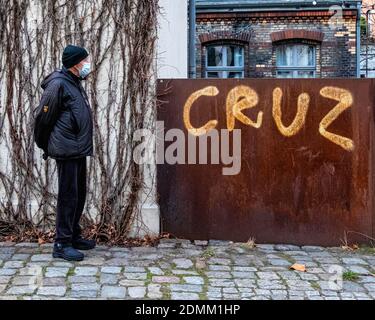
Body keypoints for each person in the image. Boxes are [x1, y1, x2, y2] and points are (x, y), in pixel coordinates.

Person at [39, 44, 96, 261]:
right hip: (66, 149)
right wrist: (45, 145)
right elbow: (43, 119)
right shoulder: (58, 85)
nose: (87, 64)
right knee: (68, 196)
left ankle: (72, 235)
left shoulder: (73, 82)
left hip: (77, 148)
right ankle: (61, 244)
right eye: (85, 60)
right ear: (75, 64)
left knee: (78, 193)